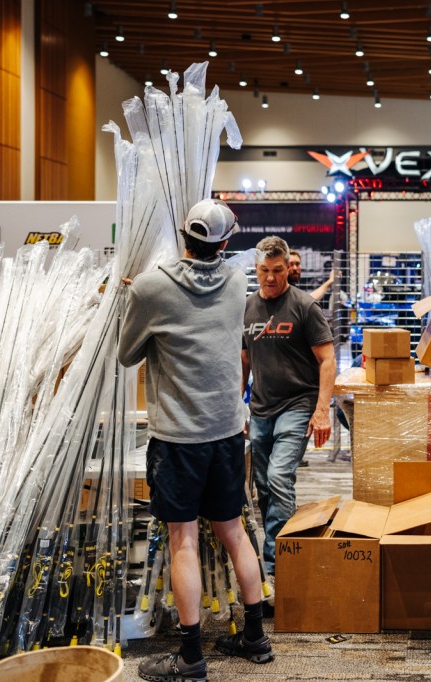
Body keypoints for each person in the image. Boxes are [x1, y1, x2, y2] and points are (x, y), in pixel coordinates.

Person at [119, 199, 273, 682]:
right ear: (225, 243)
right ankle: (255, 637)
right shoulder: (237, 282)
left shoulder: (150, 288)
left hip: (178, 438)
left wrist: (138, 298)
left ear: (184, 234)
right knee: (235, 532)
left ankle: (190, 657)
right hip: (226, 432)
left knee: (182, 540)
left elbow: (127, 354)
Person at [242, 236, 336, 600]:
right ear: (256, 269)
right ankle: (284, 547)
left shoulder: (303, 306)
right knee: (263, 485)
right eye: (264, 270)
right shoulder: (248, 307)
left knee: (280, 476)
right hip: (261, 408)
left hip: (297, 404)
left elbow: (327, 360)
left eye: (277, 270)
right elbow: (244, 361)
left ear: (287, 268)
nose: (270, 278)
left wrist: (322, 410)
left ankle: (275, 565)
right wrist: (237, 405)